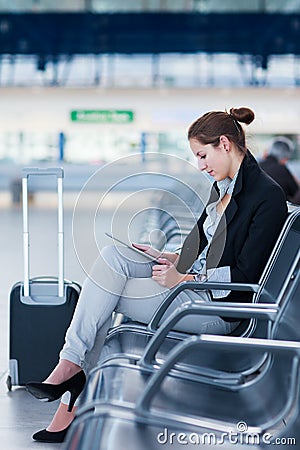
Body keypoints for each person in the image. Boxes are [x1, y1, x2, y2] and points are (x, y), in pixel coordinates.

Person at [26, 107, 288, 443]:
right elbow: (200, 248)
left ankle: (69, 381)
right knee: (112, 257)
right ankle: (71, 370)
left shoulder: (265, 196)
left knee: (108, 293)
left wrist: (182, 280)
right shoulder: (223, 187)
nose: (201, 165)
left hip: (217, 310)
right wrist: (168, 258)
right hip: (195, 288)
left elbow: (247, 276)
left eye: (202, 155)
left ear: (224, 143)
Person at [259, 136, 300, 204]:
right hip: (276, 210)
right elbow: (295, 192)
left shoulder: (258, 166)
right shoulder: (282, 170)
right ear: (285, 158)